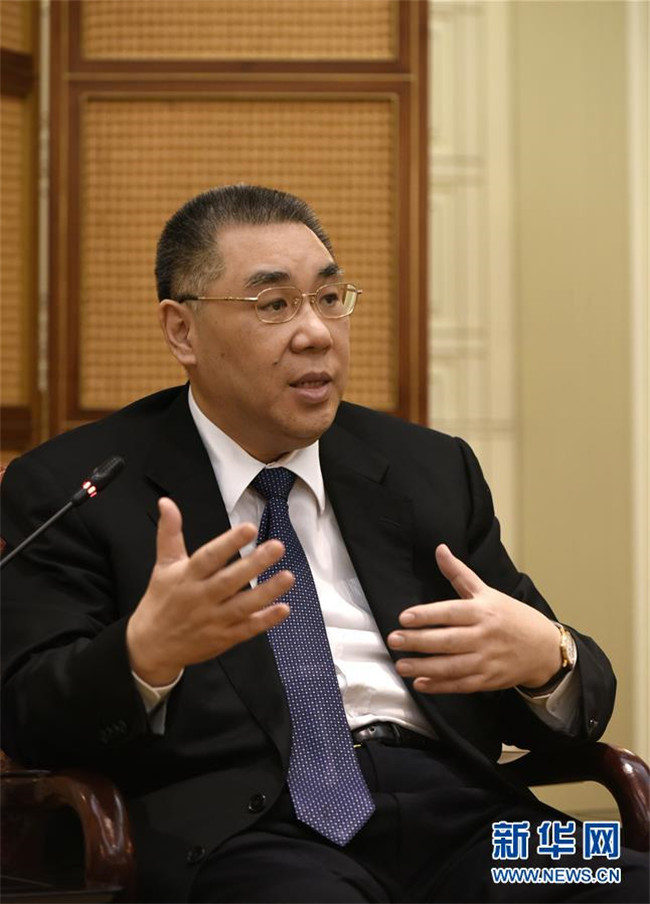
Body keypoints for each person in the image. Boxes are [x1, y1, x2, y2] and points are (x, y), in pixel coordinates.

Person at [1, 185, 646, 904]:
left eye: (331, 298)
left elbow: (571, 696)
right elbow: (28, 717)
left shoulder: (427, 467)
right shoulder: (82, 486)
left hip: (473, 823)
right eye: (273, 305)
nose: (316, 333)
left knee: (621, 879)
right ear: (182, 331)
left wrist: (548, 662)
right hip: (250, 835)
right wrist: (141, 657)